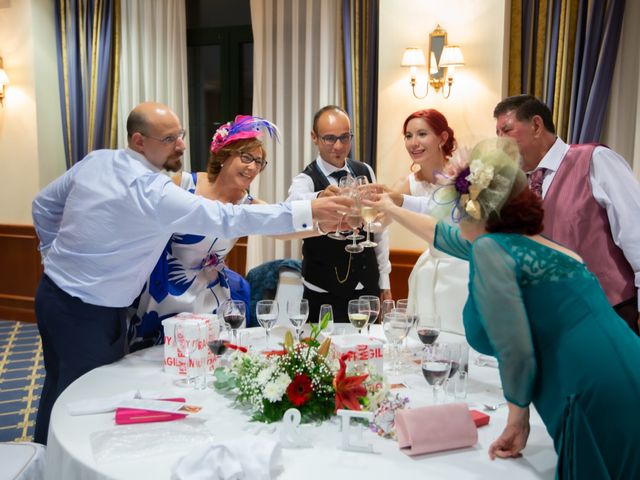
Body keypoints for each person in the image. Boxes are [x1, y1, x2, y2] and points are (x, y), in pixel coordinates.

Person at [30, 102, 351, 444]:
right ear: (140, 141)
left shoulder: (99, 160)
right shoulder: (159, 190)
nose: (182, 145)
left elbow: (44, 206)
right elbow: (226, 218)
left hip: (54, 294)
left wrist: (52, 257)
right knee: (87, 398)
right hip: (107, 308)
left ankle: (44, 457)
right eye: (170, 138)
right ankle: (72, 461)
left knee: (58, 385)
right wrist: (310, 208)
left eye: (180, 135)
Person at [369, 137, 640, 477]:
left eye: (458, 208)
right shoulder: (529, 245)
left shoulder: (491, 250)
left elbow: (516, 350)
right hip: (626, 365)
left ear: (472, 210)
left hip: (590, 386)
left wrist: (516, 421)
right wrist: (391, 208)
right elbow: (440, 235)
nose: (454, 219)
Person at [129, 115, 285, 351]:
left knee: (211, 359)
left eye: (259, 162)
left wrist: (331, 221)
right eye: (246, 157)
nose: (253, 167)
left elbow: (284, 224)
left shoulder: (248, 205)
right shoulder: (182, 184)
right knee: (158, 359)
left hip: (211, 296)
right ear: (224, 156)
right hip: (164, 292)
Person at [493, 94, 640, 335]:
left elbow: (635, 231)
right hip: (553, 317)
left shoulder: (595, 160)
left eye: (506, 130)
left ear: (537, 125)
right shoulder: (518, 184)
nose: (500, 142)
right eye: (497, 133)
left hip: (610, 312)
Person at [286, 105, 392, 322]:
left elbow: (379, 230)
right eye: (330, 138)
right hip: (323, 295)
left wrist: (384, 282)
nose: (339, 146)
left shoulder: (365, 171)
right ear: (314, 137)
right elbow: (291, 206)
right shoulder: (305, 180)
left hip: (367, 289)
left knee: (367, 351)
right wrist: (318, 197)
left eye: (345, 137)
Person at [391, 109, 468, 334]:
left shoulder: (465, 175)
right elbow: (379, 220)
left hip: (464, 268)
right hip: (430, 266)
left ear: (442, 138)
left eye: (422, 134)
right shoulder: (406, 184)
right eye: (408, 136)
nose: (414, 143)